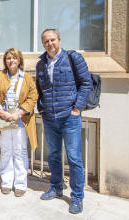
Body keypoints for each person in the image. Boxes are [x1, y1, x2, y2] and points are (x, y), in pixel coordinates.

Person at [36, 29, 92, 214]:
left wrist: (77, 109)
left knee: (74, 158)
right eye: (46, 41)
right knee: (53, 155)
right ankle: (56, 187)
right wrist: (41, 106)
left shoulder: (73, 58)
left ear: (59, 40)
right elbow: (39, 88)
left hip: (69, 117)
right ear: (43, 43)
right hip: (49, 118)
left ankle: (77, 197)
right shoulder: (41, 64)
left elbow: (86, 83)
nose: (49, 43)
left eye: (52, 39)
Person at [0, 48, 38, 197]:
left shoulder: (27, 78)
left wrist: (19, 113)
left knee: (20, 151)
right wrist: (1, 112)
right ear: (5, 61)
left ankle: (20, 184)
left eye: (14, 58)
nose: (11, 61)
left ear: (19, 60)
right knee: (6, 151)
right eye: (9, 58)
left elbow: (33, 96)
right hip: (3, 120)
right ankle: (6, 182)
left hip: (20, 120)